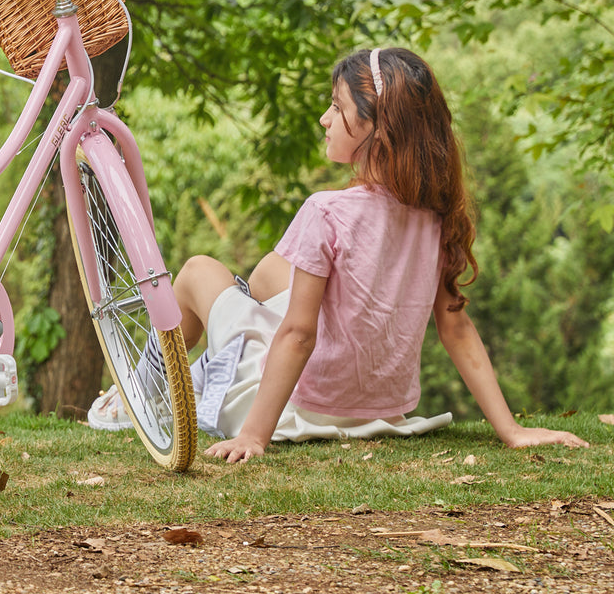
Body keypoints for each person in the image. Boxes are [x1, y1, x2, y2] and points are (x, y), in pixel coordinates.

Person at [89, 46, 589, 460]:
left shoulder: (326, 211)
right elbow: (456, 328)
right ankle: (216, 343)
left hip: (300, 411)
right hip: (380, 413)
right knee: (268, 272)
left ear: (377, 126)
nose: (325, 118)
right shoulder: (433, 217)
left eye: (338, 108)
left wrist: (254, 437)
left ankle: (142, 394)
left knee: (198, 271)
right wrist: (513, 431)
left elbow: (300, 334)